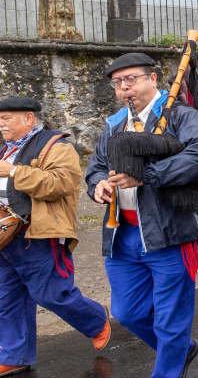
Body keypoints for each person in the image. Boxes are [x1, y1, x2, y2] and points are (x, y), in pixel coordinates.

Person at [87, 53, 198, 378]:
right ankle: (181, 349)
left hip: (170, 232)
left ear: (153, 79)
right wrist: (98, 184)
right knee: (126, 312)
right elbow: (96, 168)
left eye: (131, 79)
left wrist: (149, 175)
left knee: (170, 319)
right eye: (118, 83)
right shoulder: (116, 124)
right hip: (122, 235)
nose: (124, 88)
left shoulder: (180, 117)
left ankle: (169, 367)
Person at [0, 97, 110, 376]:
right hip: (5, 237)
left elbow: (60, 183)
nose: (1, 123)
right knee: (6, 298)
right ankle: (14, 355)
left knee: (52, 294)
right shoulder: (5, 149)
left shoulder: (57, 146)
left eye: (7, 118)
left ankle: (96, 320)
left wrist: (13, 171)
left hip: (38, 234)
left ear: (29, 118)